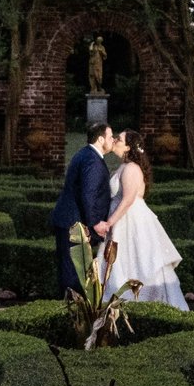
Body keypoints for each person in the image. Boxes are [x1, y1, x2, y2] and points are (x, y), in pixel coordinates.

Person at [104, 130, 188, 310]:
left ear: (127, 146)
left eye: (119, 139)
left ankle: (144, 301)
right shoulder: (123, 166)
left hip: (131, 220)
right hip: (124, 220)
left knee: (141, 260)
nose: (115, 141)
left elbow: (127, 200)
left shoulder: (131, 168)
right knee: (123, 261)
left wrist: (109, 222)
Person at [52, 124, 119, 294]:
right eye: (111, 137)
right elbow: (88, 195)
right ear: (101, 139)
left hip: (70, 220)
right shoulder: (92, 161)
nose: (113, 140)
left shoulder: (85, 154)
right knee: (73, 272)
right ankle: (71, 313)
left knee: (71, 270)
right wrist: (95, 222)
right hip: (73, 223)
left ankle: (71, 309)